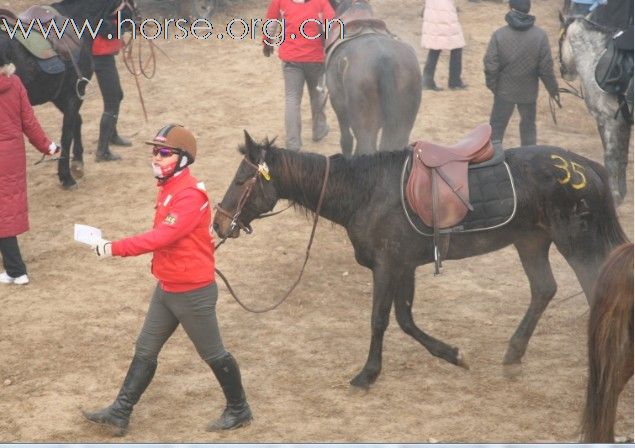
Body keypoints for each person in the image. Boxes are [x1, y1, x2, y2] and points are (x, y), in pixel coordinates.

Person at [82, 124, 252, 436]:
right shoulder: (170, 188)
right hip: (168, 287)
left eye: (163, 153)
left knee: (214, 354)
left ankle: (239, 409)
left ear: (183, 159)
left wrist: (112, 248)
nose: (156, 158)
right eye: (154, 152)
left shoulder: (189, 195)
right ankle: (120, 412)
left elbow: (161, 237)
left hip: (192, 294)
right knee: (145, 348)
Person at [0, 57, 60, 286]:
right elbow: (29, 122)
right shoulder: (14, 83)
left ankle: (16, 270)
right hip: (12, 156)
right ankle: (15, 269)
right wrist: (48, 146)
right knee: (5, 210)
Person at [483, 0, 559, 149]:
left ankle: (490, 161)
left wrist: (494, 87)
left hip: (504, 91)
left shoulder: (499, 35)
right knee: (529, 128)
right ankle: (529, 160)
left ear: (510, 8)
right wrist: (553, 89)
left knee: (496, 129)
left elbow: (490, 65)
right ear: (529, 9)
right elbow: (546, 69)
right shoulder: (540, 36)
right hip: (528, 92)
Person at [262, 0, 334, 151]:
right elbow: (332, 26)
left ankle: (293, 143)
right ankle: (319, 129)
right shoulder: (320, 2)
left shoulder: (281, 1)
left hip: (291, 59)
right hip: (316, 59)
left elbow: (271, 22)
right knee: (317, 94)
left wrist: (267, 42)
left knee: (292, 99)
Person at [92, 15, 131, 162]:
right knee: (113, 99)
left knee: (117, 95)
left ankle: (112, 135)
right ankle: (102, 151)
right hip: (100, 56)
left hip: (104, 54)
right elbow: (106, 31)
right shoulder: (99, 6)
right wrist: (124, 26)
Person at [420, 0, 467, 90]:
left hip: (433, 12)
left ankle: (427, 81)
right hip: (445, 12)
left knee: (435, 48)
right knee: (456, 46)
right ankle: (454, 82)